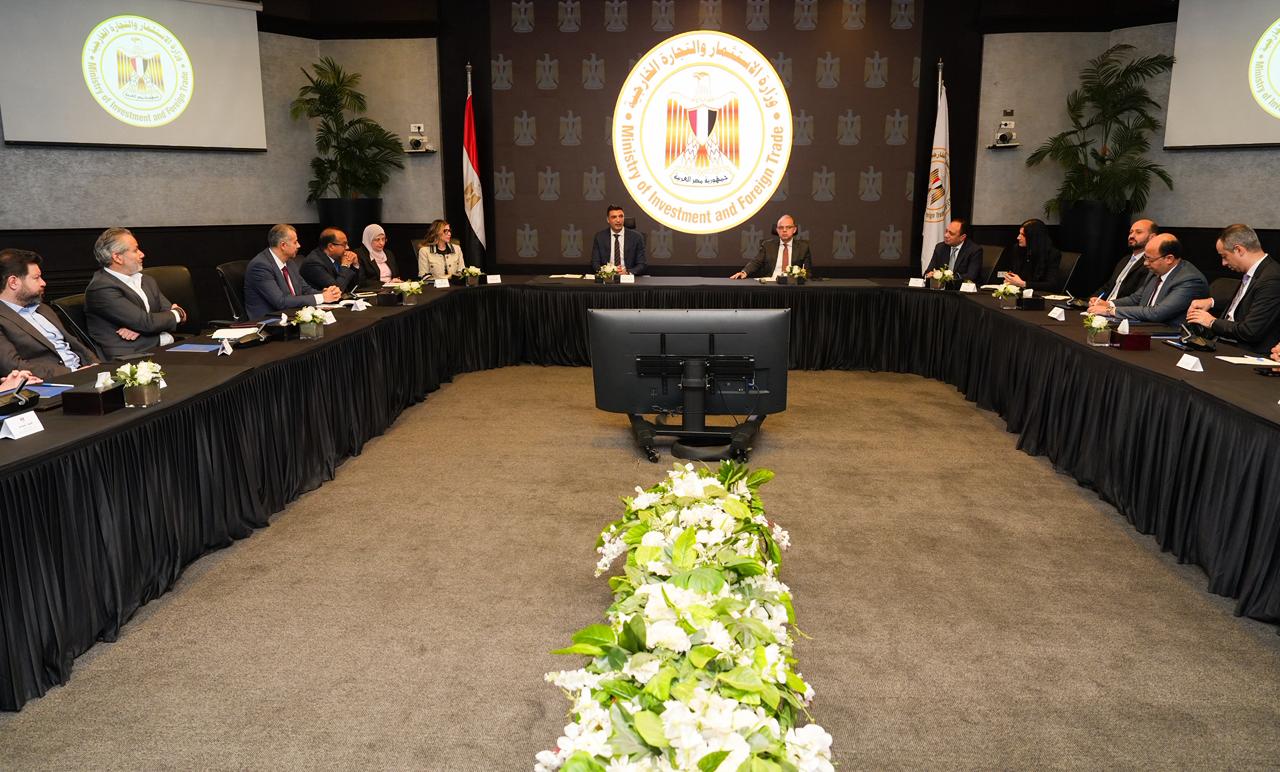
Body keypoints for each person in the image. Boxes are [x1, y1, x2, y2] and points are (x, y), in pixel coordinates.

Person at [84, 227, 187, 358]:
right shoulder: (101, 288)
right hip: (128, 358)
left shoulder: (146, 280)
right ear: (117, 257)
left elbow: (159, 318)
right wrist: (177, 313)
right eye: (135, 250)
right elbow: (148, 323)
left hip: (160, 348)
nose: (142, 254)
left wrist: (142, 326)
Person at [0, 248, 99, 379]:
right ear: (13, 282)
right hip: (54, 382)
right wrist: (73, 373)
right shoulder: (3, 318)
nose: (43, 283)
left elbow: (76, 345)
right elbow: (13, 366)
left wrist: (96, 366)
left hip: (87, 374)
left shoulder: (43, 308)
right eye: (36, 278)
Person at [1185, 223, 1280, 355]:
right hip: (1225, 343)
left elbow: (1250, 331)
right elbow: (1247, 301)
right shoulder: (1256, 272)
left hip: (1246, 352)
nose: (1223, 263)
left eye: (1224, 256)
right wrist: (1211, 302)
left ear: (1239, 250)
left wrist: (1211, 322)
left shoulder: (1271, 279)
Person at [1086, 234, 1206, 326]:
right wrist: (1108, 303)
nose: (1145, 263)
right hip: (1145, 326)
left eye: (1150, 259)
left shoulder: (1190, 280)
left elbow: (1157, 313)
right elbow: (1136, 298)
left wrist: (1110, 310)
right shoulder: (1155, 271)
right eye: (1145, 257)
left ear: (1169, 259)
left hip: (1170, 334)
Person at [243, 224, 341, 321]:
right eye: (295, 242)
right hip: (269, 320)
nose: (299, 245)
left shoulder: (290, 262)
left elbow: (305, 290)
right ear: (283, 245)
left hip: (292, 315)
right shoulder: (260, 266)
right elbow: (280, 302)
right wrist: (322, 297)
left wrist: (327, 293)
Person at [1091, 219, 1157, 303]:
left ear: (1152, 237)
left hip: (1119, 308)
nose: (1131, 236)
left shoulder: (1150, 264)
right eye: (1131, 232)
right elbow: (1108, 287)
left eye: (1138, 232)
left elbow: (1137, 298)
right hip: (1101, 306)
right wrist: (1093, 299)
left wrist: (1109, 305)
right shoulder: (1125, 260)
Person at [731, 214, 813, 279]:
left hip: (793, 286)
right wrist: (744, 272)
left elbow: (807, 272)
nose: (784, 230)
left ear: (794, 229)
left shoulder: (803, 248)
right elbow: (756, 262)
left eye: (788, 227)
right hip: (771, 283)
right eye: (781, 227)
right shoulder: (767, 245)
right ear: (777, 230)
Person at [1002, 218, 1061, 292]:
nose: (1018, 237)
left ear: (1034, 237)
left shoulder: (1052, 254)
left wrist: (1023, 284)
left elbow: (1052, 285)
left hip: (1040, 295)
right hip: (1020, 292)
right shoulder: (1017, 249)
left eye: (1023, 235)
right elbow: (1014, 273)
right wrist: (1010, 279)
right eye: (1019, 234)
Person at [300, 228, 362, 294]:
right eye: (344, 244)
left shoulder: (337, 257)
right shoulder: (313, 263)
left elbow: (354, 287)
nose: (347, 247)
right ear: (331, 247)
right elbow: (336, 290)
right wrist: (345, 266)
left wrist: (355, 264)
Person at [589, 205, 646, 275]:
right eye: (614, 217)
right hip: (608, 277)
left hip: (628, 277)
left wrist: (627, 272)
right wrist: (607, 272)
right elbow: (595, 262)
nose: (618, 220)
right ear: (608, 220)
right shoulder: (600, 237)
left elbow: (642, 264)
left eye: (621, 216)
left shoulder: (636, 237)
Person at [922, 218, 983, 284]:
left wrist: (945, 277)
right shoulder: (940, 247)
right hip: (941, 287)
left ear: (962, 237)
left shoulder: (974, 250)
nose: (946, 235)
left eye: (951, 233)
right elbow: (928, 271)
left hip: (962, 288)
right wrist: (928, 275)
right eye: (946, 231)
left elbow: (971, 276)